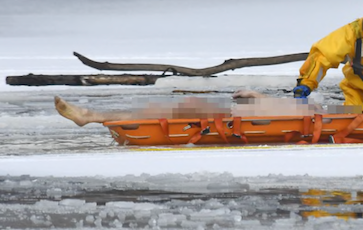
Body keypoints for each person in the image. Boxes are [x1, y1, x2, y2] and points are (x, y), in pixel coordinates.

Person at [54, 90, 324, 127]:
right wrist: (255, 95)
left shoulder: (312, 115)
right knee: (166, 108)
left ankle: (91, 116)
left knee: (172, 110)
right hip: (233, 112)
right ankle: (91, 116)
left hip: (230, 117)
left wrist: (256, 98)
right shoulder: (305, 108)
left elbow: (272, 115)